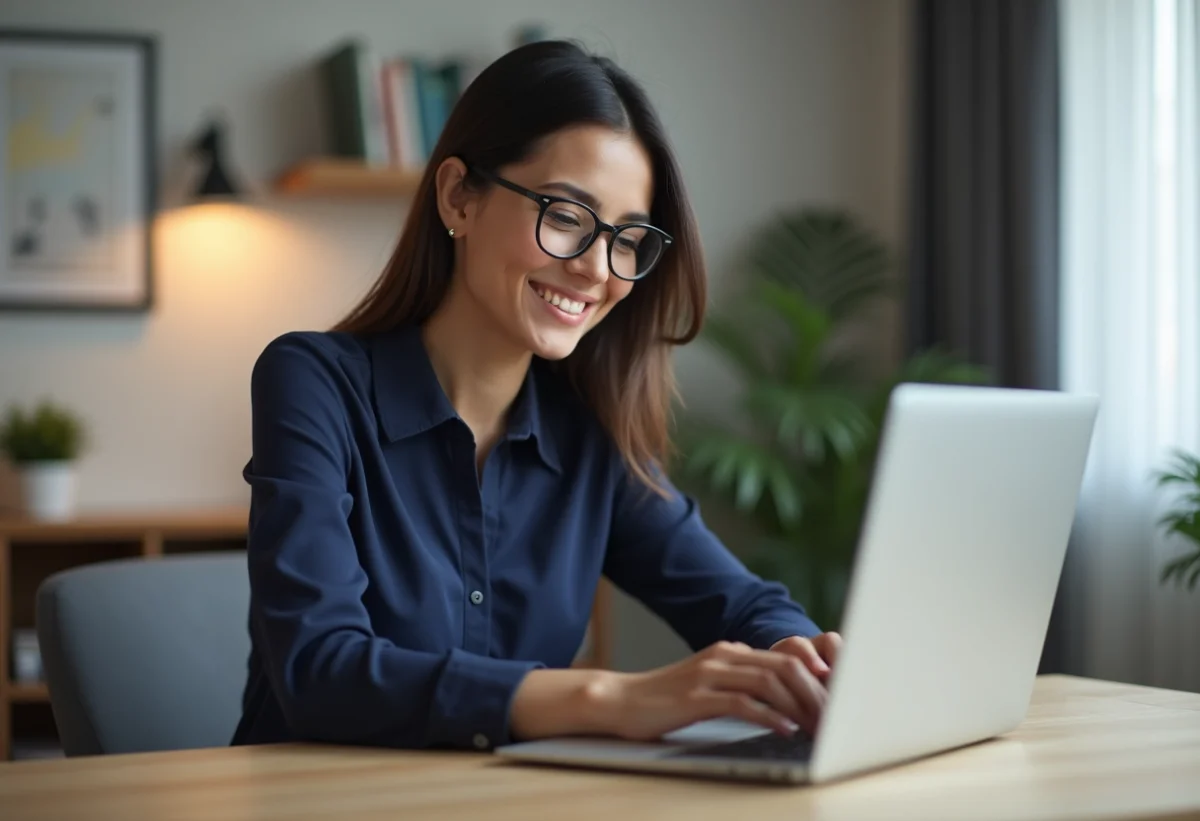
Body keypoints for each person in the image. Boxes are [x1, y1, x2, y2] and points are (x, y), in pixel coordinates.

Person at [232, 39, 841, 752]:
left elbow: (742, 603)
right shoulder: (314, 381)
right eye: (564, 215)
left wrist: (811, 665)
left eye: (625, 238)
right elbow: (319, 670)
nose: (594, 268)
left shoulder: (588, 433)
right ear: (459, 195)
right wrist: (609, 694)